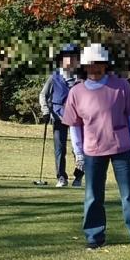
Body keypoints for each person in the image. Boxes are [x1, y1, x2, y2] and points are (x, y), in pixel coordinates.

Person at [61, 43, 130, 251]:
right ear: (84, 67)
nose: (94, 69)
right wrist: (78, 153)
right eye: (90, 65)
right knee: (93, 195)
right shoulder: (76, 92)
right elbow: (75, 126)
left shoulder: (121, 86)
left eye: (99, 64)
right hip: (92, 150)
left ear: (106, 65)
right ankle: (94, 236)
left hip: (122, 147)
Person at [40, 44, 84, 187]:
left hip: (78, 120)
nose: (70, 61)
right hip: (59, 117)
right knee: (60, 149)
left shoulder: (82, 79)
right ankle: (61, 177)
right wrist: (46, 111)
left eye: (73, 58)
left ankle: (78, 177)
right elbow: (43, 95)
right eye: (67, 58)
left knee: (78, 149)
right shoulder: (54, 78)